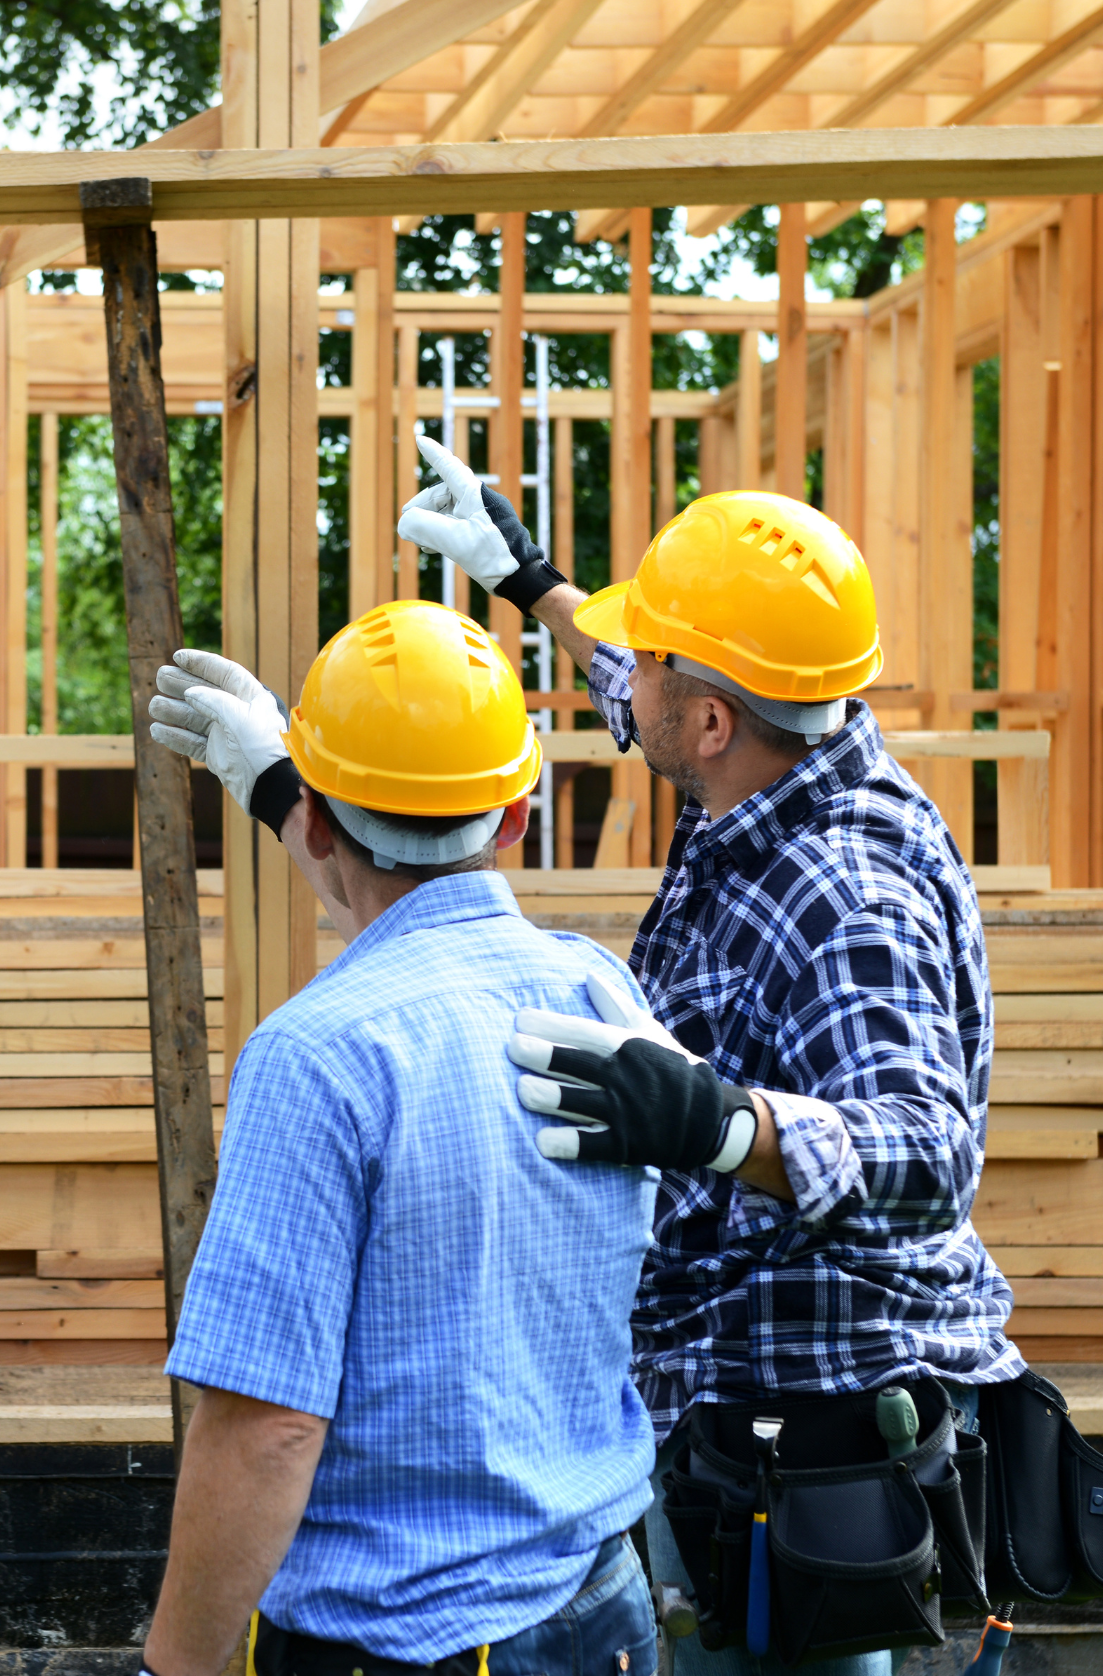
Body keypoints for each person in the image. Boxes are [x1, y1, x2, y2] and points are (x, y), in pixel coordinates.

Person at [394, 439, 1024, 1676]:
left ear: (713, 717)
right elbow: (639, 680)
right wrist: (526, 580)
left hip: (810, 1449)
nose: (627, 686)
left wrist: (721, 1126)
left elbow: (926, 1150)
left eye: (660, 669)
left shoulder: (847, 894)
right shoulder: (767, 758)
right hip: (723, 1416)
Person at [141, 600, 661, 1676]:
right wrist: (281, 785)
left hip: (406, 1643)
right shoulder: (598, 991)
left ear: (320, 824)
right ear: (518, 814)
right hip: (600, 1605)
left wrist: (171, 1667)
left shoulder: (317, 1057)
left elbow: (265, 1428)